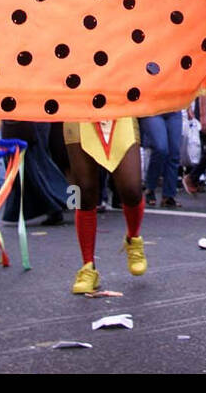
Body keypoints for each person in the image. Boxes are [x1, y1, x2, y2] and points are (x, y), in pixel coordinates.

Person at [62, 118, 147, 294]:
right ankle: (88, 266)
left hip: (119, 108)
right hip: (78, 112)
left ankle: (133, 238)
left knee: (131, 189)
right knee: (83, 193)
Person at [139, 111, 186, 208]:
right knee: (161, 148)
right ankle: (150, 187)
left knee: (174, 152)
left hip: (174, 108)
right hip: (153, 107)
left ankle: (168, 195)